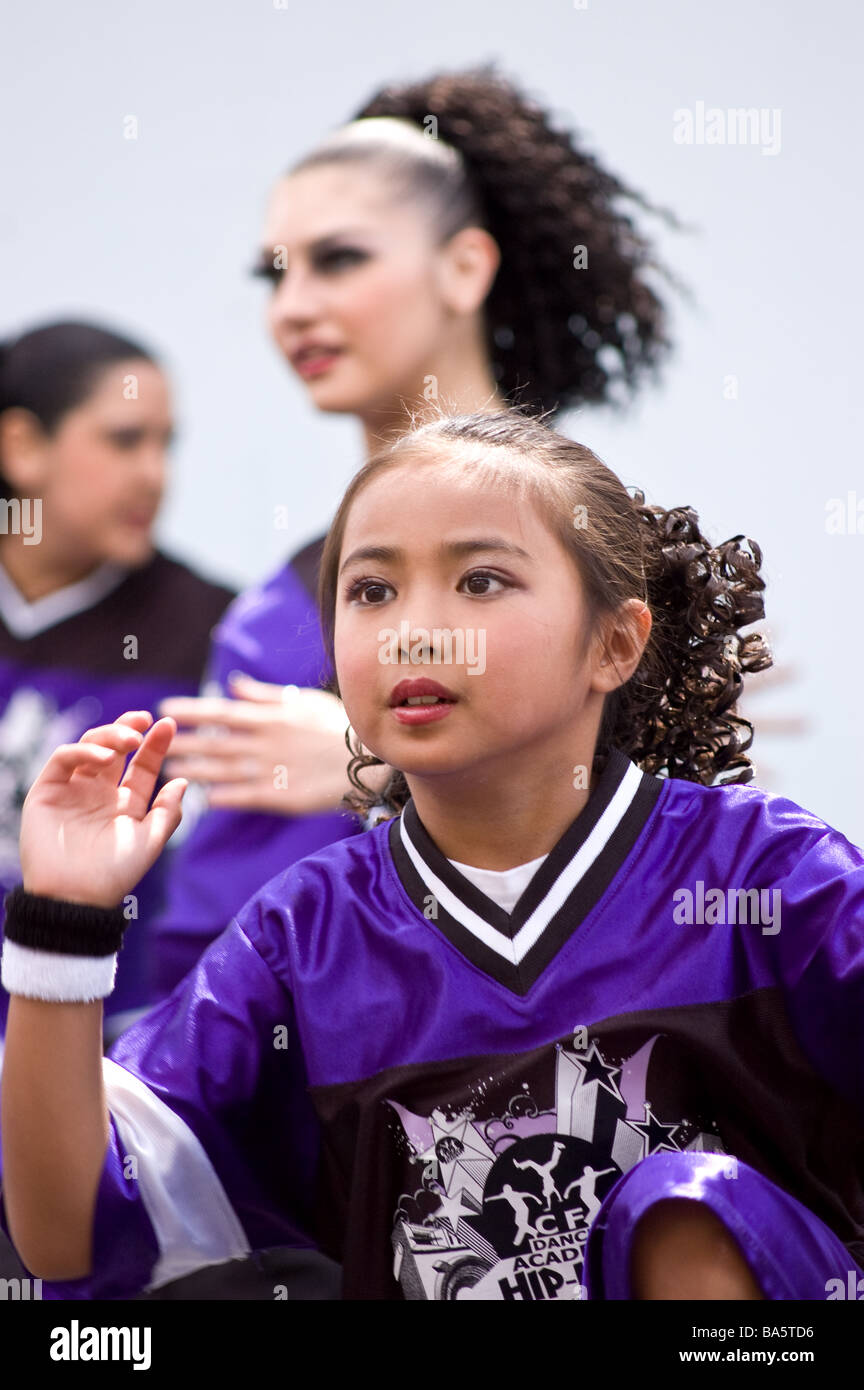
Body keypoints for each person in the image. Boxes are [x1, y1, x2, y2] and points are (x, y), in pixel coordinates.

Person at [2, 410, 861, 1302]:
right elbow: (69, 1237)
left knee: (682, 1205)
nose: (417, 631)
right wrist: (62, 923)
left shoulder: (769, 875)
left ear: (614, 643)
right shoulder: (302, 938)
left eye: (481, 580)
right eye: (372, 592)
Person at [150, 64, 677, 1000]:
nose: (293, 307)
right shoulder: (271, 621)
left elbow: (676, 884)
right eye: (275, 274)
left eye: (339, 259)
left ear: (465, 266)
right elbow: (206, 964)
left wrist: (372, 765)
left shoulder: (623, 561)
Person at [0, 321, 235, 1047]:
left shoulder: (215, 628)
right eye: (125, 440)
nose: (154, 474)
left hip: (111, 1048)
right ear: (23, 448)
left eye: (167, 445)